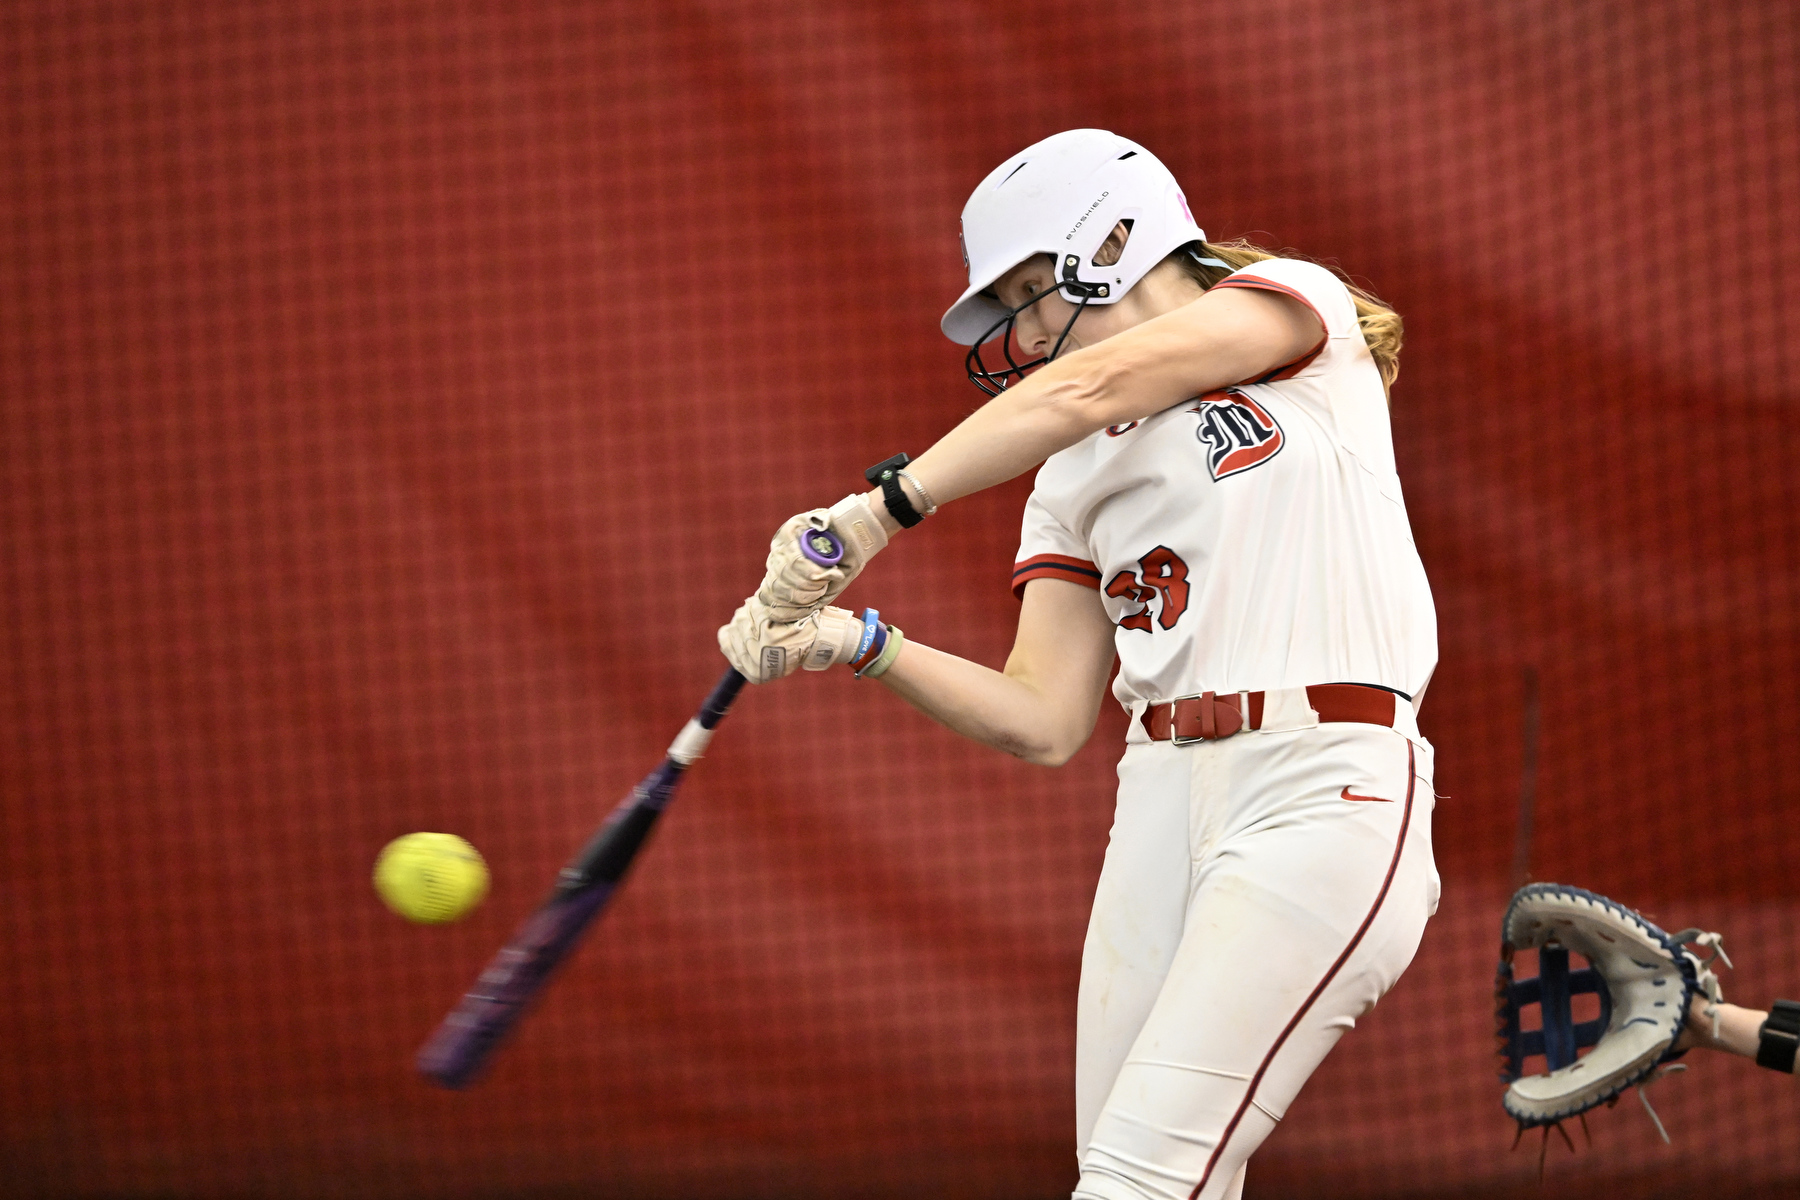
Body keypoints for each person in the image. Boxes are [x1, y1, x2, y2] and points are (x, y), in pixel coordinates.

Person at [718, 129, 1439, 1200]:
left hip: (1318, 782)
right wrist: (859, 643)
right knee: (1133, 1176)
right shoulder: (1069, 471)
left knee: (1139, 1181)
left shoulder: (1298, 307)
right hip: (1156, 803)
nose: (1022, 331)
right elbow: (1043, 717)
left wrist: (876, 512)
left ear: (1114, 236)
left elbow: (1093, 382)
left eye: (1028, 291)